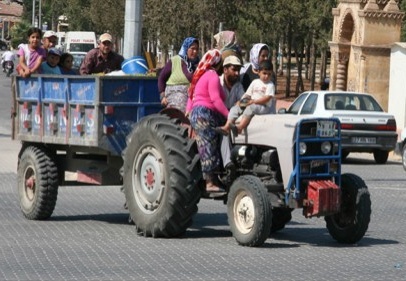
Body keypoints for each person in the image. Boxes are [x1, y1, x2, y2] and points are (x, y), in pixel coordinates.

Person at [186, 49, 229, 197]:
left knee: (211, 142)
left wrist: (188, 111)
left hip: (198, 113)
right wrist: (229, 116)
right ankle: (209, 183)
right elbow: (216, 100)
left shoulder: (199, 76)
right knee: (208, 145)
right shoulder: (212, 76)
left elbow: (191, 97)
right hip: (205, 114)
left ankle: (218, 177)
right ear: (217, 63)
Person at [218, 60, 276, 136]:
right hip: (252, 103)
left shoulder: (270, 85)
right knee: (235, 108)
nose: (266, 76)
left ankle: (239, 128)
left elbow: (267, 98)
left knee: (251, 108)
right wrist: (240, 101)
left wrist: (254, 101)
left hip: (263, 107)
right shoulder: (255, 82)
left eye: (269, 74)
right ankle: (227, 126)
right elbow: (247, 94)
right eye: (264, 73)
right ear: (258, 72)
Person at [158, 37, 199, 112]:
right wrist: (162, 96)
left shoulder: (199, 65)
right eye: (192, 49)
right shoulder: (175, 60)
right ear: (186, 48)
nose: (195, 51)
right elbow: (161, 78)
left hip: (191, 96)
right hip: (175, 94)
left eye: (197, 49)